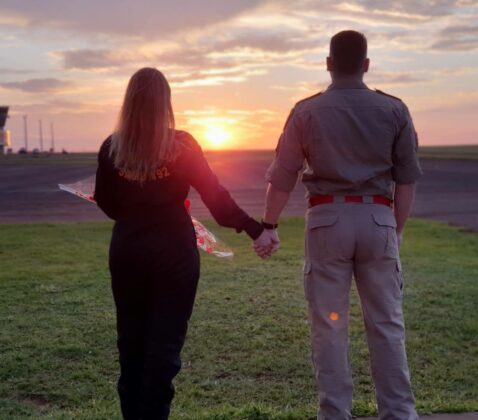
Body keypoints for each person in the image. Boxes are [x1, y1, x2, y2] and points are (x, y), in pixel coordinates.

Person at [94, 67, 276, 419]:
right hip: (174, 252)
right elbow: (216, 199)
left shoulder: (111, 147)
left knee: (131, 344)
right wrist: (257, 230)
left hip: (128, 250)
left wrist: (135, 213)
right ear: (166, 102)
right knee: (164, 347)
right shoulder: (183, 145)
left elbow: (106, 202)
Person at [259, 31, 422, 419]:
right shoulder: (394, 109)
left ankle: (334, 413)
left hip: (327, 220)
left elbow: (282, 176)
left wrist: (269, 225)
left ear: (328, 64)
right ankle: (399, 413)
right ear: (366, 65)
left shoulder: (306, 111)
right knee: (387, 324)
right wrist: (395, 230)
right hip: (378, 218)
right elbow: (407, 180)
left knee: (328, 327)